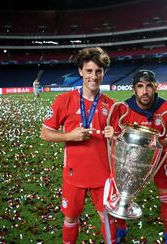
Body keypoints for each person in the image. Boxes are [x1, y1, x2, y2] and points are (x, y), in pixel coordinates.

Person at [40, 47, 117, 243]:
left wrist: (116, 134)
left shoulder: (111, 105)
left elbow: (119, 141)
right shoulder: (64, 100)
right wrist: (70, 136)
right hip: (74, 175)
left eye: (98, 71)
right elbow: (45, 133)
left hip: (103, 176)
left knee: (107, 218)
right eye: (89, 71)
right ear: (80, 71)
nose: (94, 76)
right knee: (71, 218)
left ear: (104, 73)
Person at [113, 70, 167, 244]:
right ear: (134, 89)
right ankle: (121, 227)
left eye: (149, 86)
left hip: (158, 159)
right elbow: (117, 140)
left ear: (155, 87)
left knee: (166, 195)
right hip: (131, 160)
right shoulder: (123, 108)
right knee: (121, 193)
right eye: (140, 86)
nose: (145, 91)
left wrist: (152, 145)